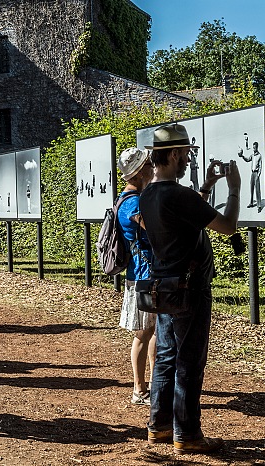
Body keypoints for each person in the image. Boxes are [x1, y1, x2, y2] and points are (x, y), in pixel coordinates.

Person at [140, 123, 240, 454]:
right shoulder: (177, 194)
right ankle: (188, 434)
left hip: (165, 287)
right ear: (170, 155)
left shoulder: (148, 194)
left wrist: (208, 186)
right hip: (190, 288)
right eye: (183, 154)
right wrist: (235, 190)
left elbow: (187, 213)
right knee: (190, 361)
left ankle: (160, 427)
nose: (187, 161)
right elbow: (226, 227)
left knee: (167, 356)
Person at [116, 147, 156, 406]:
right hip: (144, 275)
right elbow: (156, 227)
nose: (153, 168)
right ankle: (140, 389)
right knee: (144, 332)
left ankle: (153, 383)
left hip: (144, 274)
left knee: (153, 331)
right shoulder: (132, 203)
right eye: (150, 165)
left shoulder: (131, 198)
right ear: (140, 172)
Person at [238, 140, 263, 212]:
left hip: (256, 173)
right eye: (253, 148)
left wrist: (258, 175)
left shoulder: (259, 156)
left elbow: (260, 166)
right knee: (251, 188)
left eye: (254, 148)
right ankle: (251, 203)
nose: (253, 149)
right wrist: (242, 156)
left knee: (257, 190)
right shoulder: (252, 155)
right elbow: (247, 159)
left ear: (257, 148)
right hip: (252, 173)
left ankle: (259, 206)